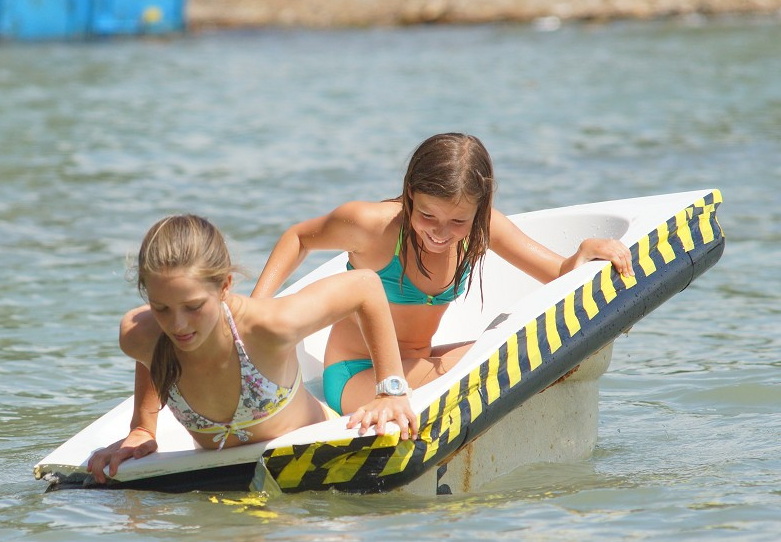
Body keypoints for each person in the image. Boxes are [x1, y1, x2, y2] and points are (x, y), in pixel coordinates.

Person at [250, 132, 633, 432]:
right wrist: (256, 310)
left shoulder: (484, 226)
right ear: (411, 194)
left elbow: (559, 273)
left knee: (510, 338)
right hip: (360, 375)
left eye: (457, 222)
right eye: (428, 215)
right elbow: (299, 238)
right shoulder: (373, 227)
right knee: (505, 358)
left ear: (479, 210)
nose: (440, 232)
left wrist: (584, 254)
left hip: (422, 360)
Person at [88, 214, 411, 483]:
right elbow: (148, 351)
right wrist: (143, 427)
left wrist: (390, 391)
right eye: (161, 309)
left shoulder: (269, 328)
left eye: (194, 306)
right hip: (227, 482)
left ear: (225, 285)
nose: (178, 325)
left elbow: (365, 286)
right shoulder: (139, 335)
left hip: (320, 454)